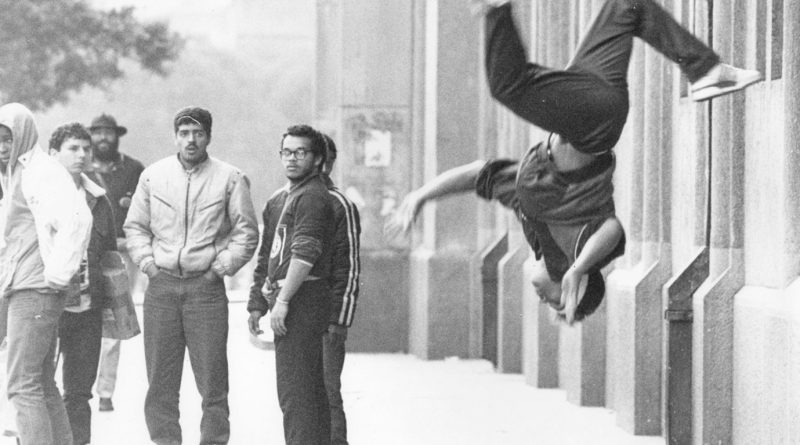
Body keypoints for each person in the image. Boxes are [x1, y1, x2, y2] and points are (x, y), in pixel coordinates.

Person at [388, 0, 764, 323]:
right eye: (557, 300)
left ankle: (706, 70)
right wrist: (580, 267)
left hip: (591, 96)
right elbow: (612, 230)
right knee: (509, 86)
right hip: (591, 125)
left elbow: (479, 175)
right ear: (575, 284)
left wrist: (421, 196)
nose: (546, 300)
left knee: (627, 6)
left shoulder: (533, 217)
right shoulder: (570, 250)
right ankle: (498, 6)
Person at [125, 107, 258, 445]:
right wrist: (148, 263)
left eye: (198, 133)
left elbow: (246, 232)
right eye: (184, 133)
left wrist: (221, 267)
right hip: (162, 287)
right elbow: (135, 227)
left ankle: (213, 441)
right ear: (175, 136)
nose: (191, 140)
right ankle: (165, 441)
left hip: (206, 289)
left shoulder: (230, 178)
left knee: (213, 379)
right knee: (160, 379)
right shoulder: (153, 177)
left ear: (209, 137)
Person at [0, 103, 93, 445]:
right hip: (19, 283)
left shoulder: (42, 171)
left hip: (36, 286)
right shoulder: (12, 174)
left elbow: (78, 220)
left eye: (7, 140)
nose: (1, 148)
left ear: (23, 135)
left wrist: (57, 274)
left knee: (21, 384)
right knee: (39, 380)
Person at [248, 124, 335, 445]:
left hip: (303, 300)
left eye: (301, 153)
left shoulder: (313, 196)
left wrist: (283, 301)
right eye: (287, 152)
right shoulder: (281, 198)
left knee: (299, 395)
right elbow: (268, 254)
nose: (292, 159)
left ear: (317, 159)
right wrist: (257, 302)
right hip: (287, 297)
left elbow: (305, 252)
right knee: (298, 393)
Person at [49, 123, 117, 445]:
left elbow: (110, 257)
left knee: (79, 392)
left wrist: (118, 314)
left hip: (87, 307)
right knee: (39, 386)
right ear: (54, 154)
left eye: (85, 149)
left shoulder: (98, 199)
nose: (82, 155)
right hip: (46, 305)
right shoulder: (40, 195)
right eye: (73, 148)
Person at [88, 113, 144, 413]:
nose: (103, 138)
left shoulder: (134, 170)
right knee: (81, 319)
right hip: (85, 254)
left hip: (119, 255)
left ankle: (106, 390)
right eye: (98, 133)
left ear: (117, 135)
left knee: (113, 320)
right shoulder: (78, 167)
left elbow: (143, 212)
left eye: (109, 133)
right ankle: (77, 386)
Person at [320, 134, 361, 445]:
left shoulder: (339, 204)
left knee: (328, 392)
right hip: (294, 320)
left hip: (327, 320)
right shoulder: (284, 199)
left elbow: (349, 268)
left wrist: (338, 321)